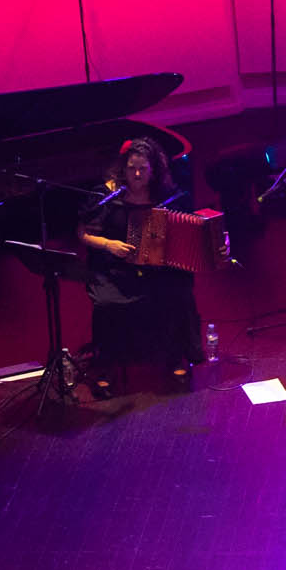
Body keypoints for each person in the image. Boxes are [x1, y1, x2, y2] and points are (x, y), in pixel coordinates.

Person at [79, 135, 204, 387]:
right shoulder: (107, 194)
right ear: (123, 168)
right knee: (105, 303)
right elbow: (82, 233)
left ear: (153, 170)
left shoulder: (168, 196)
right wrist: (108, 245)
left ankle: (175, 356)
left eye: (142, 169)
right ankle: (107, 364)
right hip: (116, 268)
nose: (136, 174)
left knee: (179, 292)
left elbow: (194, 230)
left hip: (157, 268)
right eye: (131, 168)